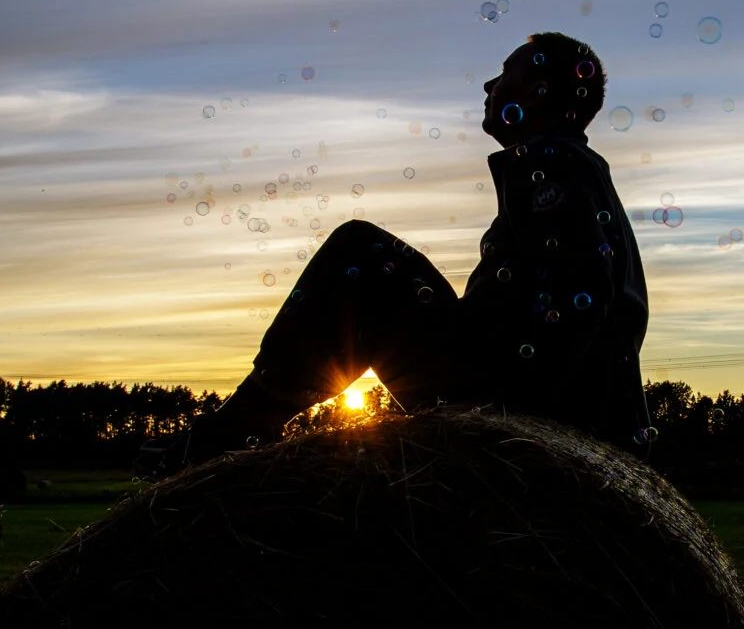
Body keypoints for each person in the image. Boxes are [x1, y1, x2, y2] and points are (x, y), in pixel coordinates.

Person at [133, 31, 654, 481]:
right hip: (528, 411)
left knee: (359, 251)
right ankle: (243, 423)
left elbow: (583, 297)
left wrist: (516, 429)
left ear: (542, 94)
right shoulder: (575, 171)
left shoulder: (553, 163)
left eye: (506, 72)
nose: (490, 86)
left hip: (513, 413)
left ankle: (238, 428)